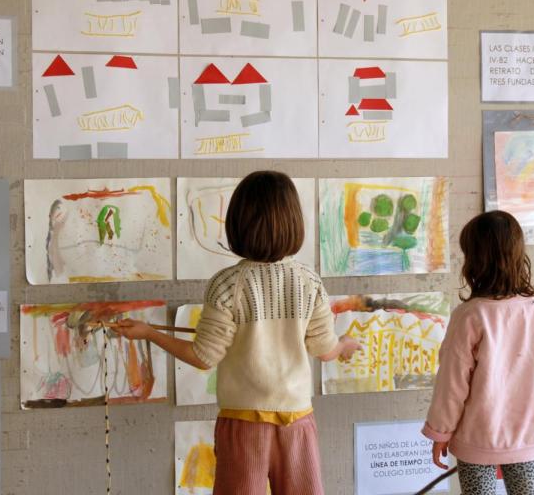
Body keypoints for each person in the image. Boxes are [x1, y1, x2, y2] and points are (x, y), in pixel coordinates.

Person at [113, 171, 360, 495]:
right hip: (296, 421)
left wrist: (149, 333)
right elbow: (324, 349)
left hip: (243, 425)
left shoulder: (227, 284)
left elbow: (203, 358)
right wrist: (344, 345)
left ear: (237, 223)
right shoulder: (308, 281)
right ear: (295, 223)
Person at [422, 211, 534, 495]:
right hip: (528, 435)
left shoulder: (470, 315)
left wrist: (440, 431)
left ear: (474, 261)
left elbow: (452, 383)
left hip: (477, 438)